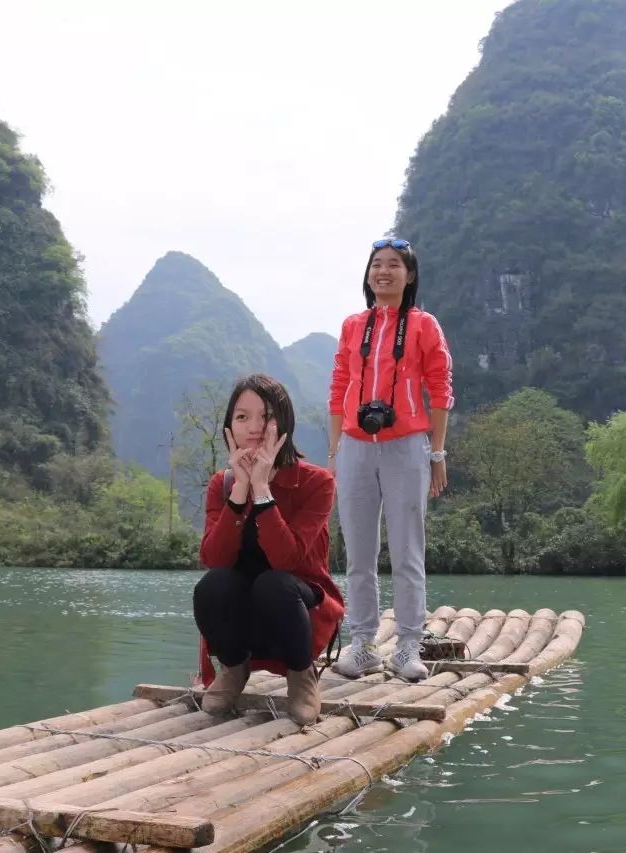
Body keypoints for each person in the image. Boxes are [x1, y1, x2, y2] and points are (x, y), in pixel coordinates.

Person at [327, 237, 454, 682]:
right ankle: (361, 644)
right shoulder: (352, 325)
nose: (384, 271)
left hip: (407, 445)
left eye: (394, 265)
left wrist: (437, 452)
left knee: (406, 549)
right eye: (376, 265)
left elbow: (440, 390)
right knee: (358, 552)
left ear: (410, 275)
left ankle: (406, 646)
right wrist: (335, 449)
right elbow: (339, 382)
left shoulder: (423, 326)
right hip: (356, 446)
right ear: (367, 274)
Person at [193, 373, 343, 726]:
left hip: (293, 613)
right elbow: (213, 559)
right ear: (230, 427)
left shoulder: (316, 482)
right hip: (246, 619)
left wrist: (262, 487)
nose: (254, 427)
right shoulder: (223, 483)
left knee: (273, 584)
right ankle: (233, 668)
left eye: (266, 416)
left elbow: (287, 560)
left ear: (284, 422)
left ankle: (302, 675)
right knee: (212, 586)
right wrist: (240, 489)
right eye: (242, 417)